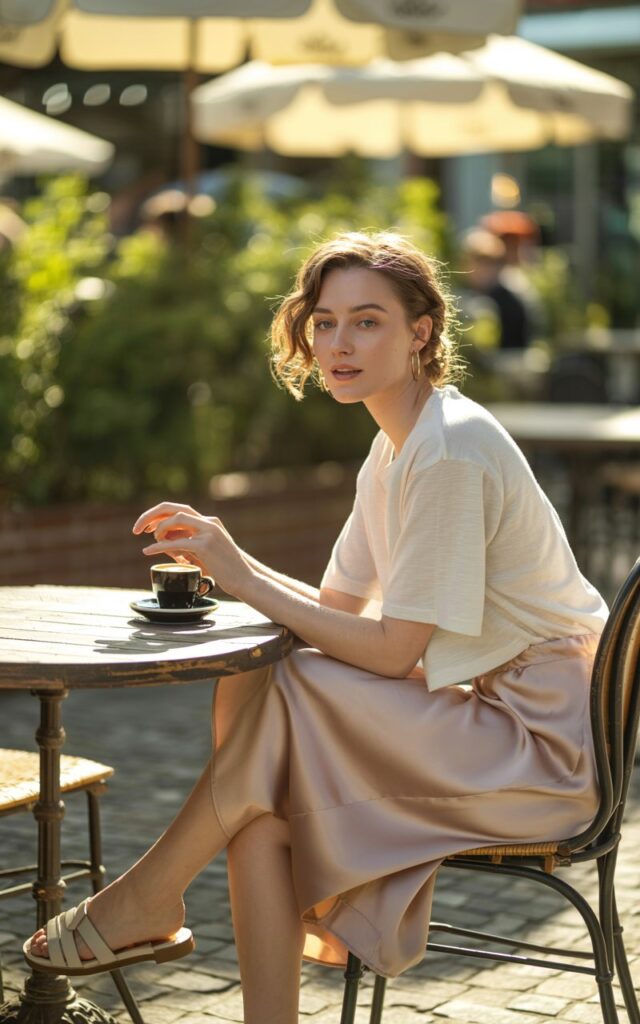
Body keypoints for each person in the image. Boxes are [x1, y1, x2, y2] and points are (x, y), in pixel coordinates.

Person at [24, 231, 608, 1024]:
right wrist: (234, 566)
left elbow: (395, 649)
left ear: (421, 331)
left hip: (546, 754)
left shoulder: (451, 450)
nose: (338, 343)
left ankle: (151, 892)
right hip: (489, 718)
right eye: (324, 321)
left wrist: (239, 570)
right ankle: (190, 938)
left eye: (367, 321)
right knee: (262, 778)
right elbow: (338, 612)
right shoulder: (394, 447)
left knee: (294, 686)